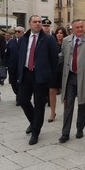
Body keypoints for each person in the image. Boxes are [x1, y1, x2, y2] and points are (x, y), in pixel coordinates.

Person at [17, 15, 58, 145]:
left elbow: (54, 60)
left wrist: (52, 79)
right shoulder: (24, 38)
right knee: (22, 100)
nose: (38, 24)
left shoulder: (49, 39)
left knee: (39, 105)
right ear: (30, 24)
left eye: (39, 22)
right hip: (26, 73)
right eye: (35, 22)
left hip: (40, 76)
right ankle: (34, 122)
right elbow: (21, 56)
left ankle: (35, 132)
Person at [59, 19, 85, 143]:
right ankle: (65, 133)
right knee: (68, 105)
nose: (80, 29)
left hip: (84, 77)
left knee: (83, 104)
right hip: (70, 77)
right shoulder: (66, 41)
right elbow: (62, 56)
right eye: (77, 27)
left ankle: (80, 128)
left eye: (82, 27)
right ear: (72, 29)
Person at [48, 27, 68, 122]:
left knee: (64, 92)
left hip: (64, 70)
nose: (59, 34)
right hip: (54, 70)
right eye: (57, 33)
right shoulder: (52, 44)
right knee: (52, 91)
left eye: (61, 33)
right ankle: (52, 112)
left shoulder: (67, 43)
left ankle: (65, 111)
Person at [5, 26, 25, 106]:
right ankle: (18, 94)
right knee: (13, 83)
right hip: (12, 66)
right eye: (15, 31)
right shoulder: (11, 42)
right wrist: (6, 64)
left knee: (21, 83)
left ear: (23, 33)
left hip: (22, 67)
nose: (17, 33)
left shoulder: (26, 41)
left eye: (19, 31)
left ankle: (20, 98)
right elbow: (7, 54)